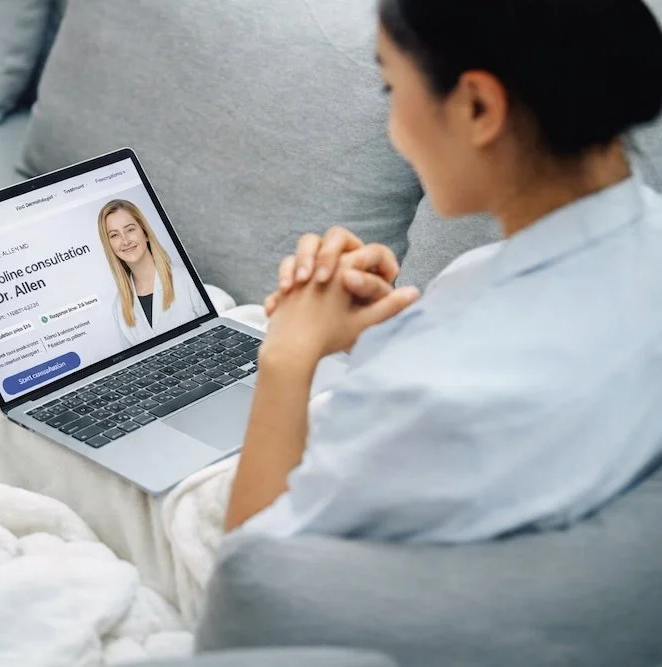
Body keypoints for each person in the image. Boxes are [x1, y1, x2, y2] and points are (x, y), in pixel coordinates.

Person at [225, 0, 662, 542]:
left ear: (478, 106)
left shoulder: (441, 395)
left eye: (391, 89)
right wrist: (390, 332)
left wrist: (287, 356)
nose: (392, 129)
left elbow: (249, 578)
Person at [98, 199, 208, 346]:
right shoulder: (119, 307)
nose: (125, 241)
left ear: (145, 232)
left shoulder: (186, 279)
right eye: (114, 235)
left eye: (130, 229)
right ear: (109, 245)